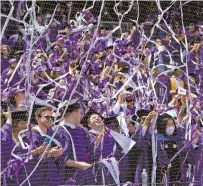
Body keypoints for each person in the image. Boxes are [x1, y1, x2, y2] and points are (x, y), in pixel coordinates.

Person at [56, 101, 94, 185]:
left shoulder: (82, 131)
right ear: (74, 113)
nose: (82, 116)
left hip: (85, 177)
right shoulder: (59, 131)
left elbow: (90, 151)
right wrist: (78, 164)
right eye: (80, 113)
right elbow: (61, 159)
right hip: (69, 178)